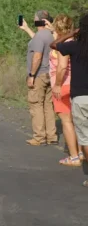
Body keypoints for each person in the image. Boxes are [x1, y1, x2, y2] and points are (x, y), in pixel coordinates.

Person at [52, 13, 88, 188]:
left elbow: (56, 50)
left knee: (78, 131)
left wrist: (71, 33)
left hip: (75, 91)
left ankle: (79, 160)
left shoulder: (72, 45)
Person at [48, 15, 82, 166]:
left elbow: (62, 66)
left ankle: (73, 156)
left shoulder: (63, 45)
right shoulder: (73, 41)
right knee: (77, 121)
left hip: (63, 85)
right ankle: (81, 152)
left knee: (66, 121)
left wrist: (57, 84)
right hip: (73, 84)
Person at [20, 11, 57, 146]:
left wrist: (31, 75)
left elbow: (37, 56)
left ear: (41, 21)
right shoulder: (50, 35)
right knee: (48, 105)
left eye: (35, 19)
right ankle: (51, 135)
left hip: (39, 75)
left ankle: (39, 137)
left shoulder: (40, 36)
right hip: (49, 74)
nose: (34, 20)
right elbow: (38, 41)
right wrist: (26, 28)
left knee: (36, 104)